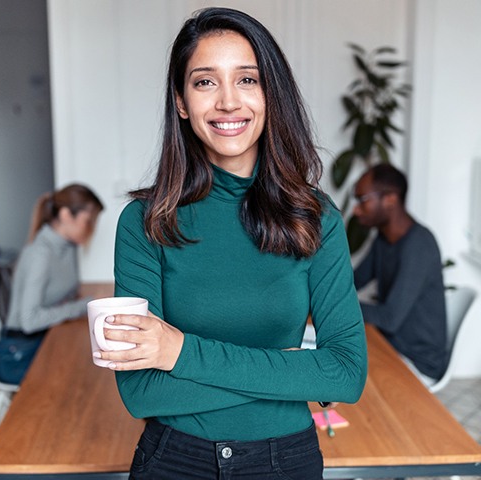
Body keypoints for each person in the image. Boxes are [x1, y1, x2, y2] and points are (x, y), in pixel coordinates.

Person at [97, 7, 367, 479]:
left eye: (247, 80)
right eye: (205, 82)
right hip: (173, 461)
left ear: (270, 95)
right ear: (181, 101)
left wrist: (177, 353)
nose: (227, 101)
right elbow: (141, 392)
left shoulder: (316, 219)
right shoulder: (144, 222)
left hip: (287, 461)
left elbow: (346, 374)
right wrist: (291, 372)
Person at [0, 183, 104, 384]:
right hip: (18, 353)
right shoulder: (40, 255)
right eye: (88, 221)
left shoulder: (68, 246)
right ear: (65, 215)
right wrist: (83, 306)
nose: (91, 230)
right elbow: (29, 321)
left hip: (42, 339)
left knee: (90, 366)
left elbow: (68, 291)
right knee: (81, 381)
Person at [352, 164, 447, 386]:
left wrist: (335, 306)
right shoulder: (383, 240)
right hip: (391, 345)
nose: (356, 210)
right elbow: (352, 282)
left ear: (390, 199)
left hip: (417, 362)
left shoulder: (419, 246)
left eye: (362, 199)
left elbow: (390, 319)